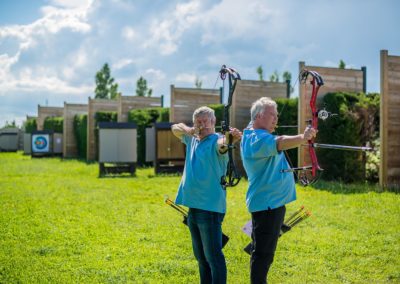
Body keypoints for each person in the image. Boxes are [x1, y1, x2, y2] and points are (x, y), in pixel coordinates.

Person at [240, 97, 317, 284]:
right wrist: (302, 137)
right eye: (272, 115)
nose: (276, 118)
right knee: (263, 254)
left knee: (262, 249)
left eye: (276, 115)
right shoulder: (257, 138)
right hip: (268, 205)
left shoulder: (253, 134)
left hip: (270, 203)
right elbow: (280, 142)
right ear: (258, 116)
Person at [172, 106, 242, 284]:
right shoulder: (192, 139)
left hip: (210, 208)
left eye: (206, 121)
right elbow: (175, 128)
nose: (203, 125)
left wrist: (229, 138)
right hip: (193, 207)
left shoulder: (216, 140)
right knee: (201, 258)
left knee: (213, 257)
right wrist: (189, 129)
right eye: (199, 122)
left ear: (214, 122)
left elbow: (223, 146)